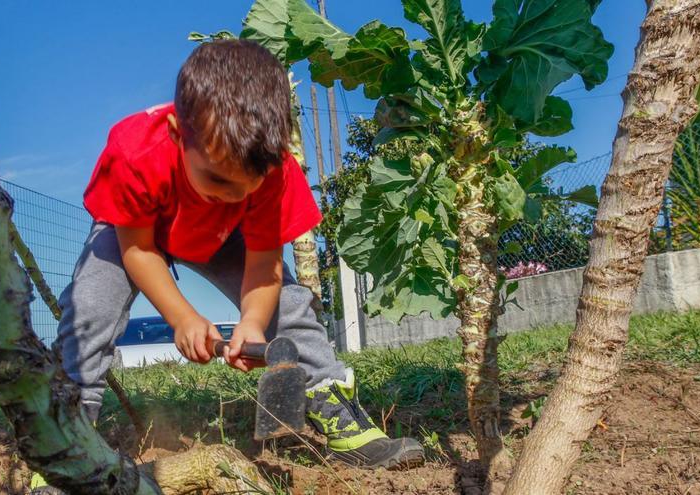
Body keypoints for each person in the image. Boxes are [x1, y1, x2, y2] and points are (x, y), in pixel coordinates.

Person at [30, 39, 424, 493]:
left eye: (246, 185)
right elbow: (138, 251)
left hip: (222, 235)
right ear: (179, 132)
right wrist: (182, 317)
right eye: (216, 178)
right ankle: (68, 447)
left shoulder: (273, 171)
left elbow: (265, 264)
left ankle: (336, 409)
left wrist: (254, 325)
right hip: (134, 232)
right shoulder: (135, 151)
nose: (233, 194)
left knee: (290, 304)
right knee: (89, 309)